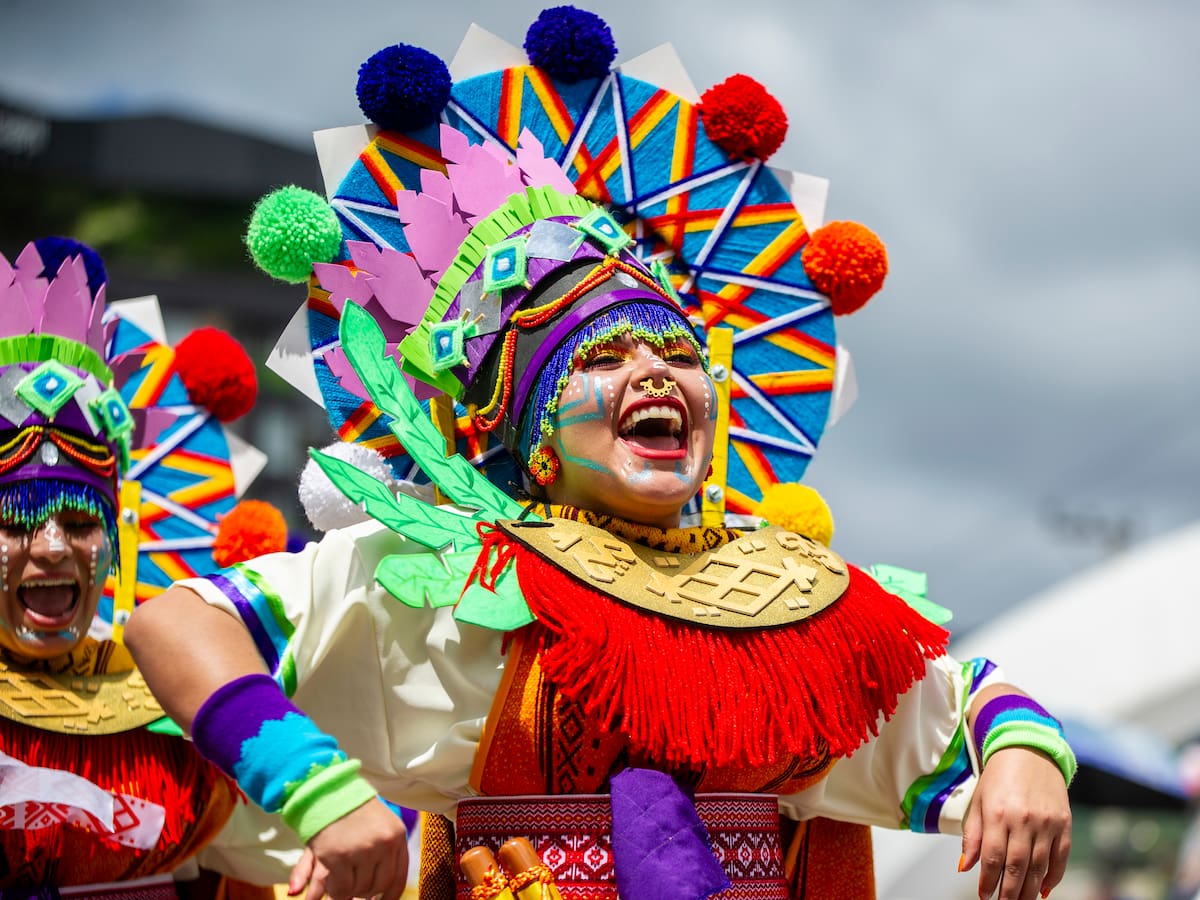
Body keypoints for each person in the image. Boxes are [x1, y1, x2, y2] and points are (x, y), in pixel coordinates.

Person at [125, 8, 1073, 900]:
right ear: (529, 434)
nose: (656, 375)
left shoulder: (786, 603)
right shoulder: (437, 581)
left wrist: (1025, 760)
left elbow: (971, 706)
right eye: (604, 358)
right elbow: (177, 626)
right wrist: (320, 793)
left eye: (677, 355)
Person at [0, 238, 289, 895]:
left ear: (113, 545)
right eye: (16, 524)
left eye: (79, 524)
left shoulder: (183, 714)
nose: (51, 549)